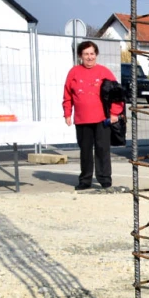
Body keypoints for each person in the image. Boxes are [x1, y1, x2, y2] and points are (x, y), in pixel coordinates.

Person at [63, 40, 123, 191]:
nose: (89, 57)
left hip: (102, 119)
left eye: (92, 53)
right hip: (82, 119)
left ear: (96, 55)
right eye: (86, 54)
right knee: (85, 150)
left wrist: (114, 113)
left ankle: (105, 179)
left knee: (102, 149)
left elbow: (117, 93)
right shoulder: (73, 72)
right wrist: (67, 113)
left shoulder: (104, 72)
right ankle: (85, 180)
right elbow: (67, 95)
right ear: (80, 56)